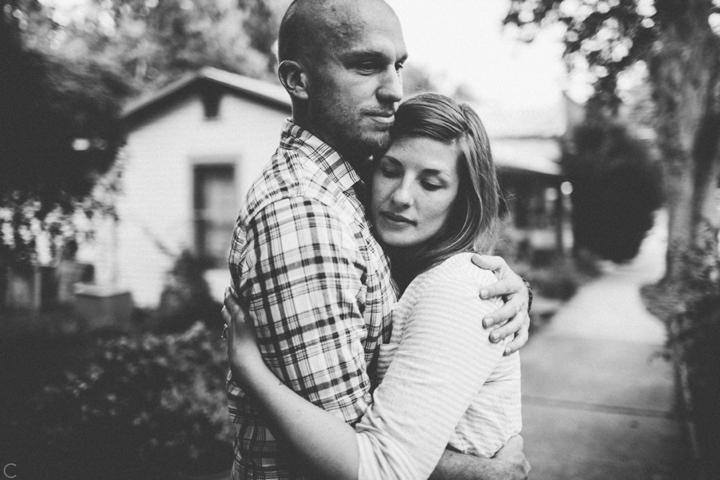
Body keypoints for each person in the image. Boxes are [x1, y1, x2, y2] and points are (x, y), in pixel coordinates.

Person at [226, 0, 532, 478]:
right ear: (297, 80)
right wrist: (483, 473)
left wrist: (512, 293)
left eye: (398, 66)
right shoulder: (307, 215)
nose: (393, 90)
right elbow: (366, 460)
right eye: (366, 65)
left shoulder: (349, 193)